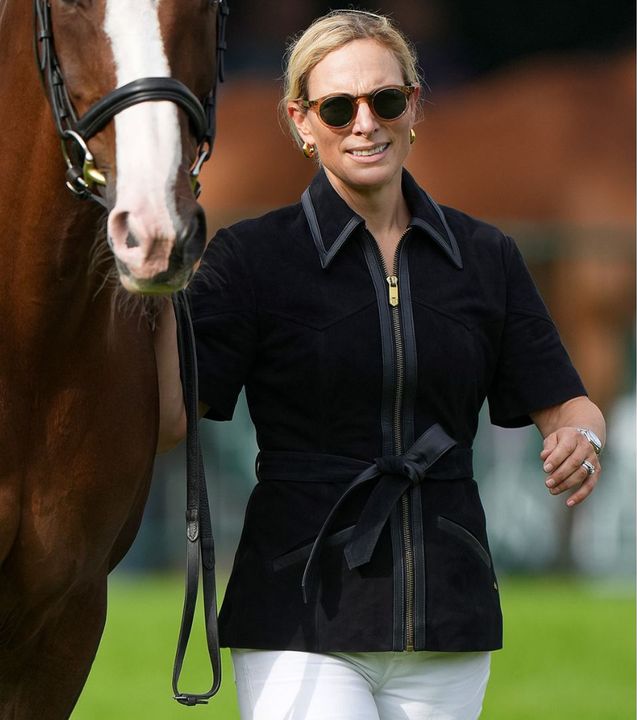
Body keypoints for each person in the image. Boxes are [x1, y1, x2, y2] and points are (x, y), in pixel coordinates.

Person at [154, 10, 605, 719]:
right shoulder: (249, 260)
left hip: (448, 614)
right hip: (297, 609)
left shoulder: (486, 256)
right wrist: (152, 291)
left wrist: (582, 436)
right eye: (338, 108)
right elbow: (170, 417)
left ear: (414, 106)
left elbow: (568, 402)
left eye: (385, 101)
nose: (365, 123)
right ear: (302, 123)